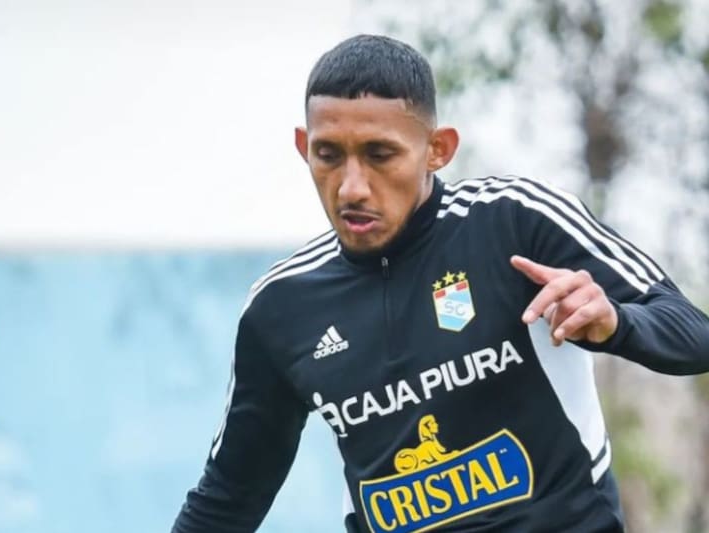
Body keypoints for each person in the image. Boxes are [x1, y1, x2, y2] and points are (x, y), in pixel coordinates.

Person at [171, 34, 709, 533]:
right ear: (303, 146)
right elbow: (230, 495)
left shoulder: (514, 221)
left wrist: (617, 323)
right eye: (328, 155)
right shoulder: (282, 307)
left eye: (380, 154)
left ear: (438, 148)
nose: (351, 187)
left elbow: (693, 333)